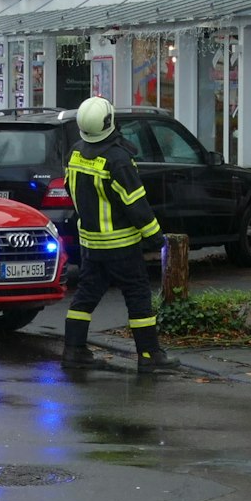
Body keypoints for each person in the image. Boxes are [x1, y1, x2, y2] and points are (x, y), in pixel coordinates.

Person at [61, 96, 179, 373]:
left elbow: (71, 190)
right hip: (121, 245)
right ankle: (150, 356)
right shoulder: (117, 159)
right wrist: (155, 238)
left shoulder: (76, 152)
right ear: (109, 122)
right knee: (138, 296)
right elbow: (136, 204)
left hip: (91, 243)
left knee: (85, 296)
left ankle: (73, 350)